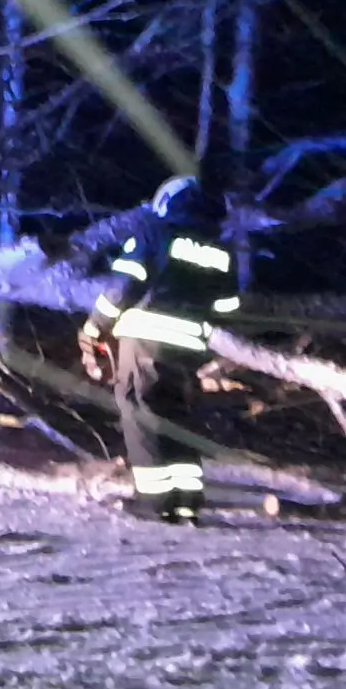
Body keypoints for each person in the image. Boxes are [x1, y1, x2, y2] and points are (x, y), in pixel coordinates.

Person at [78, 173, 243, 524]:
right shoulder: (222, 252)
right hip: (191, 348)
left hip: (145, 339)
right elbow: (226, 309)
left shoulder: (154, 234)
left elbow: (124, 286)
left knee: (141, 414)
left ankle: (153, 504)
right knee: (178, 418)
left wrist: (96, 326)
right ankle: (185, 501)